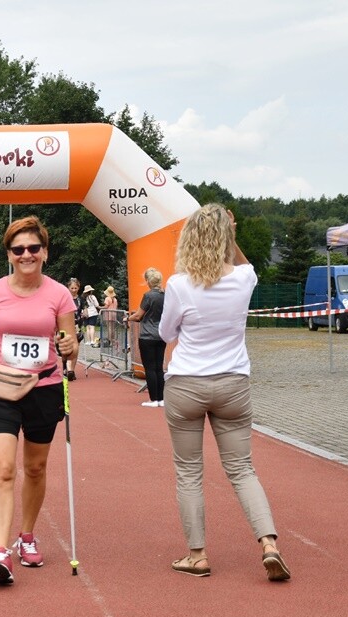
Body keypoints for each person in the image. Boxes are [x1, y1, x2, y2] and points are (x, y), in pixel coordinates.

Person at [159, 203, 290, 582]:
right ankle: (269, 545)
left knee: (189, 473)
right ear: (227, 239)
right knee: (242, 469)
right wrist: (228, 231)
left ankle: (197, 555)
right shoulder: (243, 279)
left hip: (187, 383)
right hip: (232, 382)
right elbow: (246, 264)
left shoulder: (179, 285)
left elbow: (167, 334)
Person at [0, 215, 77, 586]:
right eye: (18, 249)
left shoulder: (59, 294)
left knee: (36, 469)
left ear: (45, 252)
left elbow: (69, 347)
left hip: (44, 389)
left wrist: (71, 349)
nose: (26, 254)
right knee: (5, 469)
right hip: (1, 389)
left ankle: (26, 536)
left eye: (33, 248)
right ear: (9, 254)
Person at [126, 268, 166, 407]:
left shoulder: (148, 296)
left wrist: (128, 318)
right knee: (159, 367)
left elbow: (138, 315)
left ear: (148, 281)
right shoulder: (165, 295)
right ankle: (161, 398)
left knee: (149, 368)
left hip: (147, 335)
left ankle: (153, 399)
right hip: (161, 334)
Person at [64, 278, 84, 380]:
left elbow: (83, 310)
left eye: (76, 288)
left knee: (75, 349)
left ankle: (71, 370)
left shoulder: (80, 300)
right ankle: (65, 367)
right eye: (72, 288)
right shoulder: (64, 298)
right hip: (66, 325)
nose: (74, 290)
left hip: (77, 326)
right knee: (67, 349)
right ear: (68, 288)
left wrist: (85, 313)